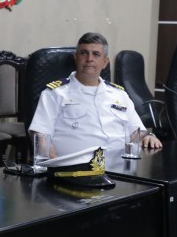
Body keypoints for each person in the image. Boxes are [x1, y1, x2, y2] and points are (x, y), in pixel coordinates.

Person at [29, 32, 162, 158]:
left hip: (121, 168)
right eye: (84, 53)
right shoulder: (55, 94)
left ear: (105, 62)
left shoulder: (120, 95)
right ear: (76, 58)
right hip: (76, 171)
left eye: (96, 54)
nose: (89, 59)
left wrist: (147, 137)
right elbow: (40, 136)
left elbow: (136, 133)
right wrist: (54, 166)